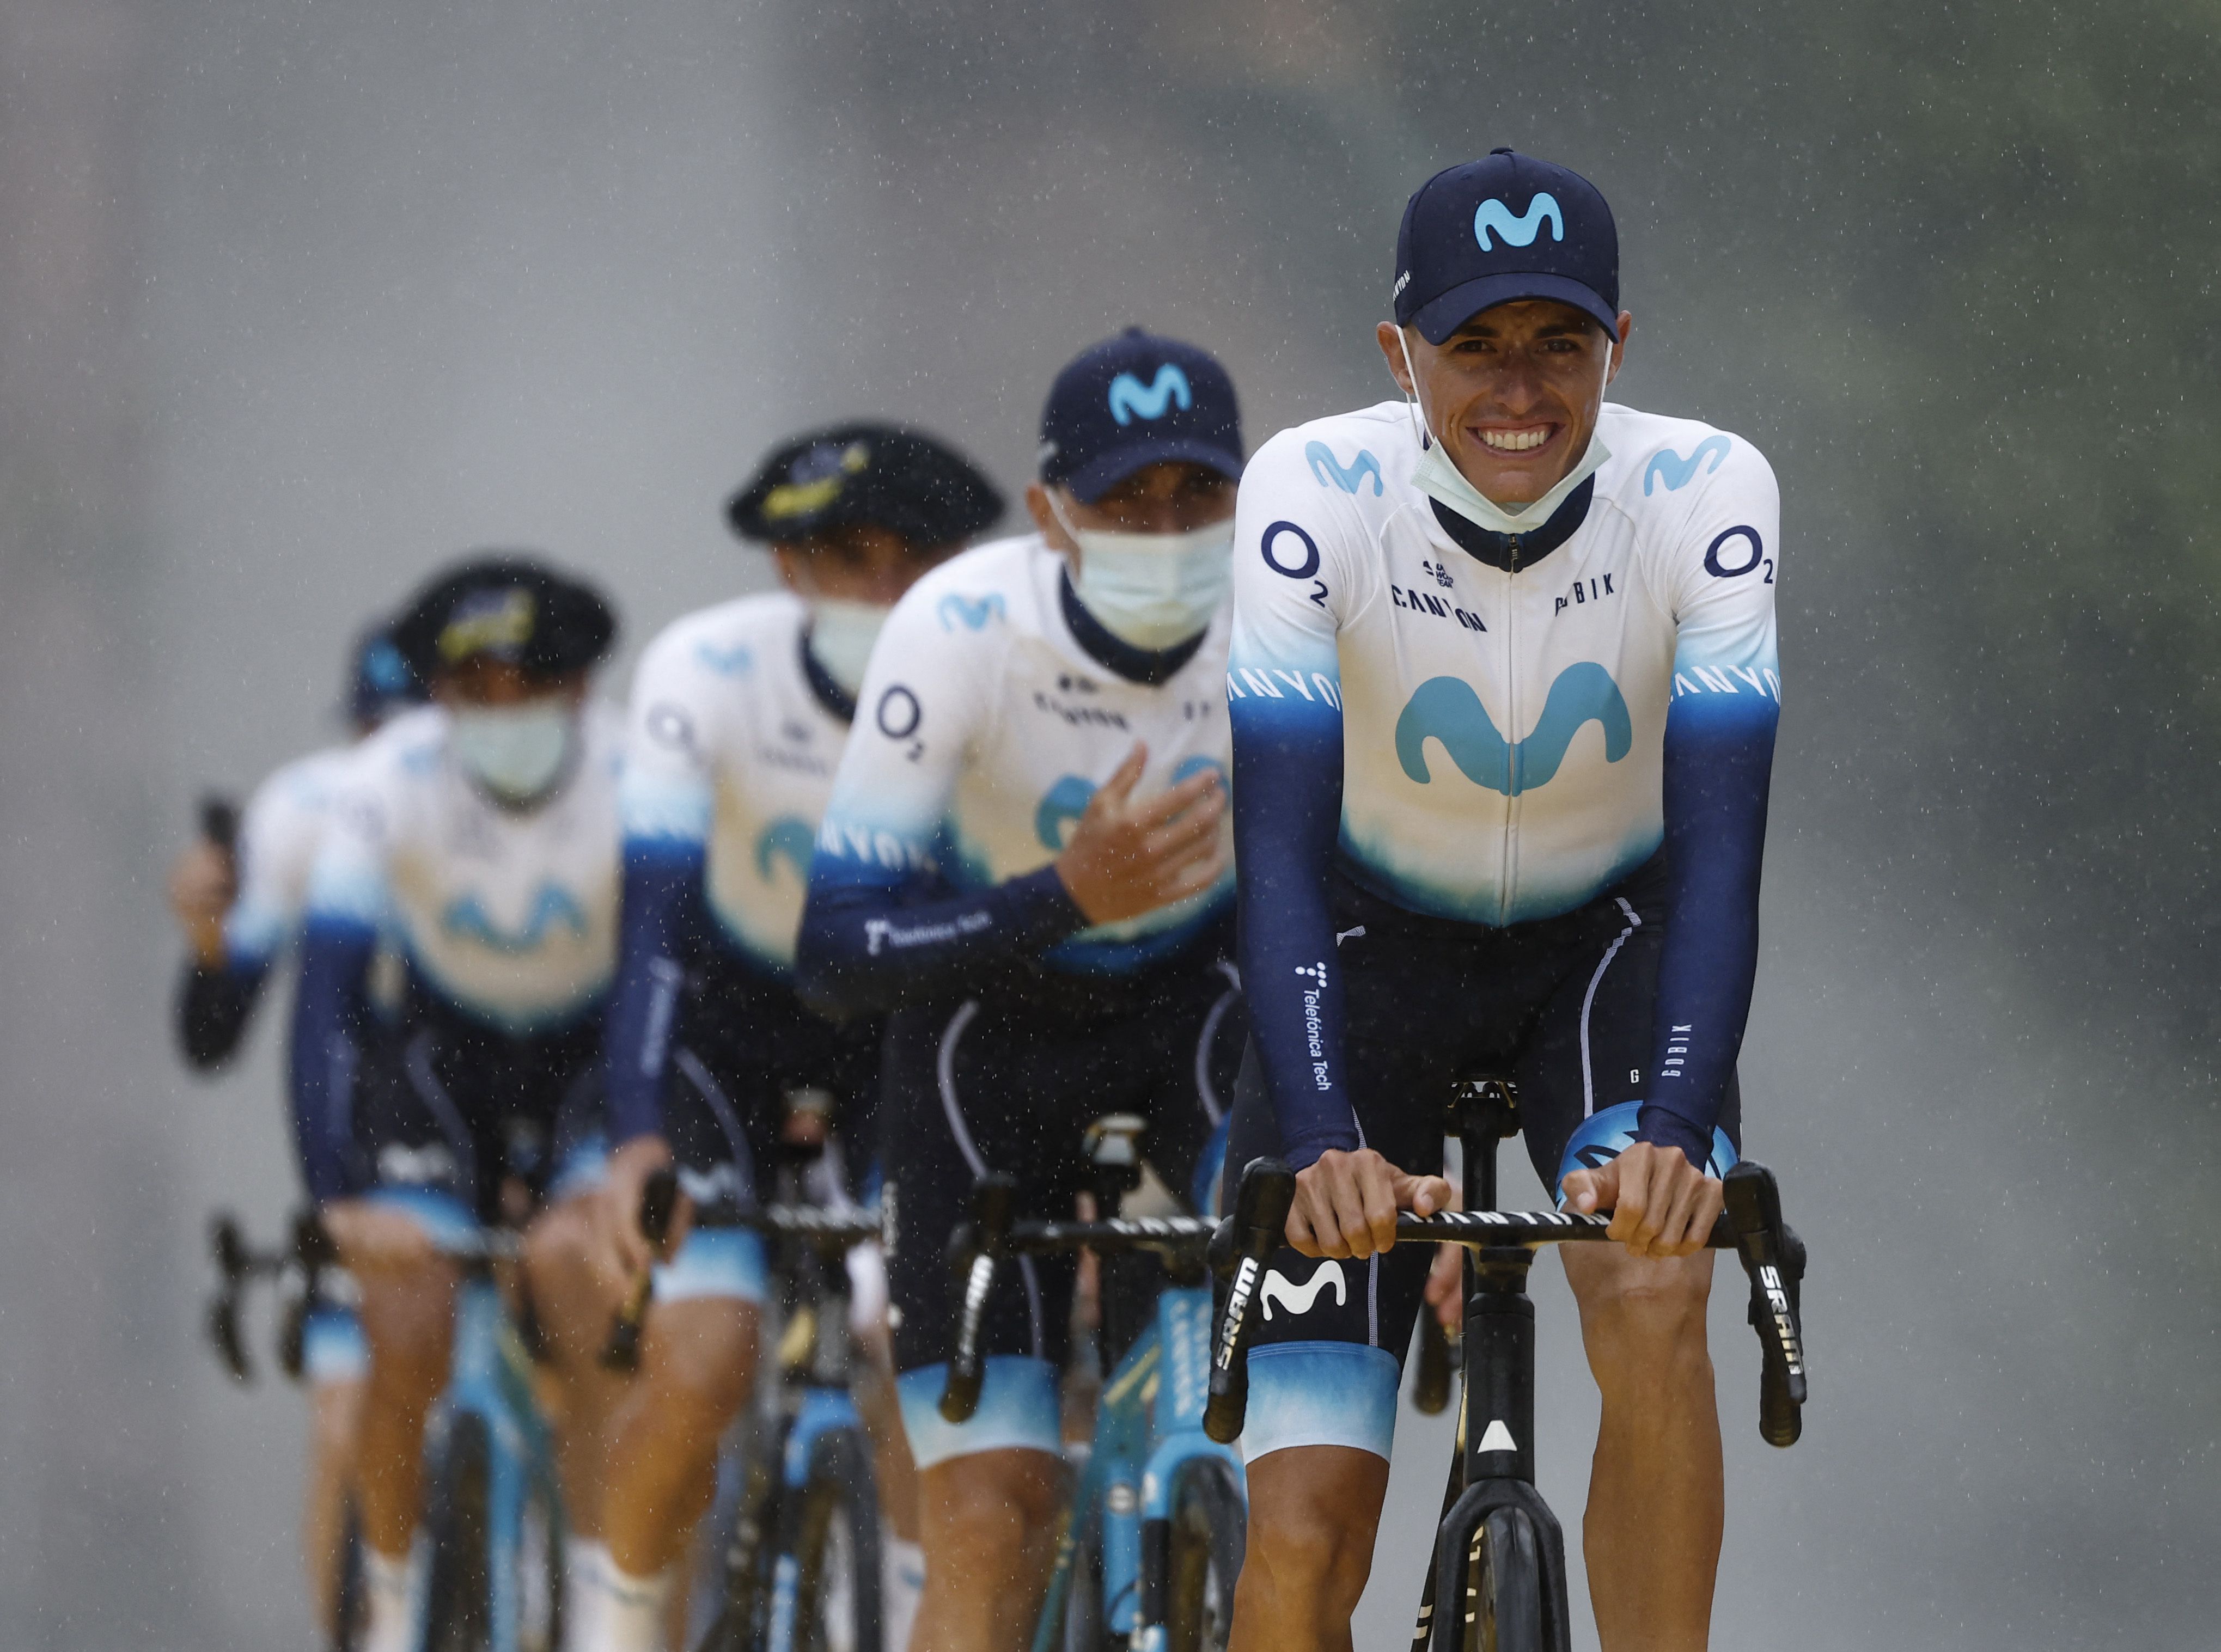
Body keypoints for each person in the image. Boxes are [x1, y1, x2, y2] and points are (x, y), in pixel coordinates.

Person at [1220, 148, 1779, 1652]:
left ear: (1619, 345)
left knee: (1655, 1289)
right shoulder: (1308, 490)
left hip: (1602, 957)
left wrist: (1669, 1137)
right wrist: (1325, 1136)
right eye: (1473, 343)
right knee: (1301, 1538)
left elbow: (1720, 852)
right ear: (1398, 353)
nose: (1516, 387)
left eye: (1558, 342)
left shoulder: (1706, 489)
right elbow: (1268, 852)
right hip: (1360, 962)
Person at [796, 329, 1249, 1652]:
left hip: (1207, 1029)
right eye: (1124, 502)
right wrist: (1062, 895)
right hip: (987, 1051)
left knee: (1300, 1484)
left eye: (1195, 497)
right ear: (1050, 514)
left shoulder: (1291, 607)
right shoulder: (959, 626)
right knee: (992, 1526)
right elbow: (834, 950)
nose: (1164, 530)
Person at [595, 421, 1003, 1651]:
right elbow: (652, 932)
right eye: (844, 556)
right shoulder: (704, 669)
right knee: (705, 1354)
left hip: (898, 1040)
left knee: (911, 1337)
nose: (879, 590)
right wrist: (632, 1135)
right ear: (787, 569)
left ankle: (904, 1606)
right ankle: (612, 1620)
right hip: (721, 1034)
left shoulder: (998, 671)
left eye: (909, 560)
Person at [287, 557, 740, 1652]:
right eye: (474, 691)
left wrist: (637, 1138)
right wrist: (334, 1196)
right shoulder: (382, 782)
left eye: (526, 689)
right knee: (403, 1318)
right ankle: (391, 1598)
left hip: (596, 1057)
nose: (502, 713)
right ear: (436, 697)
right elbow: (326, 1006)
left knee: (584, 1287)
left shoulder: (642, 767)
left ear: (580, 690)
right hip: (444, 1066)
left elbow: (666, 968)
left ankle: (598, 1596)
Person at [166, 623, 424, 1634]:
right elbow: (213, 1033)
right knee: (342, 1423)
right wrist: (204, 936)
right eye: (374, 732)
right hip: (358, 1161)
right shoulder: (305, 810)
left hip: (507, 1136)